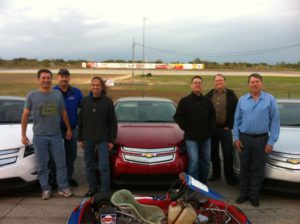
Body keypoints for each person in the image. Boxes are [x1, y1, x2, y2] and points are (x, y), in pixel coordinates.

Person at [21, 68, 73, 200]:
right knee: (42, 165)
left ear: (51, 79)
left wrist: (68, 128)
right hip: (39, 137)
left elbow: (63, 112)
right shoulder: (31, 95)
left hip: (56, 136)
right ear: (39, 79)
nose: (46, 80)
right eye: (43, 78)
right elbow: (25, 114)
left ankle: (63, 187)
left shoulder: (57, 94)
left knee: (61, 164)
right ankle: (45, 189)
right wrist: (23, 134)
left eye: (48, 78)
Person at [233, 73, 280, 207]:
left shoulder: (270, 99)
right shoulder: (242, 100)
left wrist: (271, 141)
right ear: (249, 84)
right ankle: (243, 194)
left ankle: (254, 196)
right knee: (244, 168)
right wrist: (236, 138)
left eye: (257, 81)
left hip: (261, 140)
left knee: (258, 169)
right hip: (244, 139)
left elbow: (275, 122)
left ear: (262, 83)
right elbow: (236, 121)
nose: (254, 84)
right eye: (252, 82)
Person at [78, 77, 117, 196]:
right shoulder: (85, 101)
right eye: (93, 85)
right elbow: (81, 121)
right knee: (89, 165)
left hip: (103, 140)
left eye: (98, 85)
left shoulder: (108, 102)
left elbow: (112, 122)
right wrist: (80, 138)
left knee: (104, 166)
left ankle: (105, 190)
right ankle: (93, 187)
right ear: (91, 86)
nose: (95, 87)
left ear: (102, 87)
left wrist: (111, 140)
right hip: (88, 139)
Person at [174, 75, 216, 184]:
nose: (197, 84)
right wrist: (186, 128)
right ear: (191, 85)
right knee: (194, 162)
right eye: (195, 82)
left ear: (202, 85)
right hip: (191, 138)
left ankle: (203, 184)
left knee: (206, 162)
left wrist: (209, 130)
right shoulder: (185, 101)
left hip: (206, 138)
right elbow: (177, 116)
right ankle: (193, 186)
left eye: (199, 83)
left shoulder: (207, 101)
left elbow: (213, 117)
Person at [51, 68, 83, 187]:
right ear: (57, 78)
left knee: (71, 155)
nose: (64, 78)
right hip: (56, 130)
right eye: (61, 76)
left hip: (72, 129)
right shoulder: (52, 92)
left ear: (69, 78)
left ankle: (68, 177)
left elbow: (84, 108)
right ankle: (55, 179)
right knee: (56, 155)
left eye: (66, 76)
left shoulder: (77, 92)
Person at [206, 74, 238, 185]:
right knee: (213, 154)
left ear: (224, 81)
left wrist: (229, 126)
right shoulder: (209, 95)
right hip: (212, 130)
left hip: (225, 130)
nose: (218, 82)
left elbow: (236, 112)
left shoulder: (231, 95)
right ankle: (216, 174)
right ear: (214, 82)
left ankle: (229, 176)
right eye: (216, 80)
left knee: (228, 154)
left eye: (221, 80)